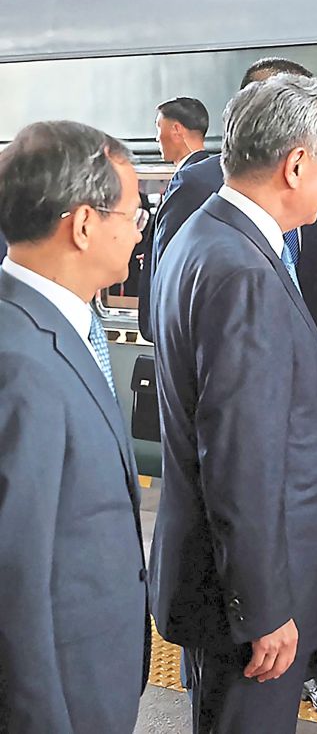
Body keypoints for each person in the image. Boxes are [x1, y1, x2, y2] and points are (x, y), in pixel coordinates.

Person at [146, 57, 317, 717]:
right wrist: (264, 608)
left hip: (220, 581)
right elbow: (241, 457)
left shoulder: (203, 236)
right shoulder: (245, 274)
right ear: (296, 166)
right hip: (250, 608)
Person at [0, 121, 149, 734]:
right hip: (62, 694)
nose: (140, 234)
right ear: (84, 224)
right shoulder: (19, 365)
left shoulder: (55, 326)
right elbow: (13, 578)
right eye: (134, 213)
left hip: (95, 673)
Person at [138, 96, 212, 340]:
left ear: (176, 130)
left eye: (158, 128)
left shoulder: (186, 181)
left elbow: (170, 253)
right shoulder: (217, 173)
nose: (155, 138)